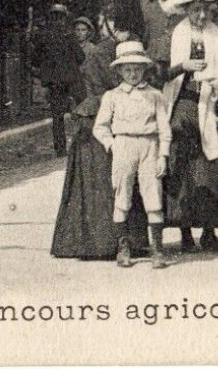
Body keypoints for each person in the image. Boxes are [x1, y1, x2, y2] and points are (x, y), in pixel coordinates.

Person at [51, 15, 150, 260]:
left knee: (116, 179)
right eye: (123, 28)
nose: (126, 34)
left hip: (102, 116)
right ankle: (105, 242)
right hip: (99, 119)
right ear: (111, 26)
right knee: (106, 180)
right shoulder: (107, 52)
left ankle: (119, 240)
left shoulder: (119, 48)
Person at [162, 0, 218, 252]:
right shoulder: (177, 33)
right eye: (195, 10)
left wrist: (215, 81)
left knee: (209, 171)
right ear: (186, 10)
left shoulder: (216, 33)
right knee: (183, 170)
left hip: (208, 103)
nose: (201, 15)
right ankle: (185, 230)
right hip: (183, 106)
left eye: (205, 9)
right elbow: (163, 73)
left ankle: (209, 230)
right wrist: (184, 67)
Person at [93, 41, 173, 269]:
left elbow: (164, 128)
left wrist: (163, 155)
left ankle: (157, 250)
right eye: (127, 69)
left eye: (137, 68)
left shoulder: (155, 95)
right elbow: (100, 126)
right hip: (124, 146)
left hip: (150, 145)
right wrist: (112, 144)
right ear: (119, 71)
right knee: (122, 195)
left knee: (153, 195)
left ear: (144, 69)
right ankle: (123, 248)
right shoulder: (112, 96)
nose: (133, 74)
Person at [31, 4, 85, 157]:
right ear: (64, 16)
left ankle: (60, 149)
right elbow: (81, 56)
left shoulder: (43, 35)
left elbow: (35, 59)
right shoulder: (69, 34)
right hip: (71, 79)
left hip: (54, 81)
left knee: (57, 115)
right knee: (82, 107)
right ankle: (83, 143)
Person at [140, 0, 177, 84]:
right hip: (153, 60)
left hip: (176, 60)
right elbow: (143, 34)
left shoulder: (182, 8)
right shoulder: (148, 8)